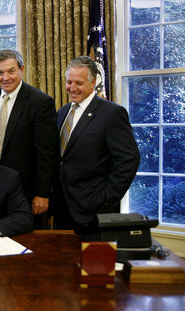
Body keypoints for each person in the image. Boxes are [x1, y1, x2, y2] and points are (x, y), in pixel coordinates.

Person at [54, 56, 140, 235]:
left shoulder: (112, 113)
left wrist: (107, 197)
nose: (72, 88)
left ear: (93, 82)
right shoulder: (62, 112)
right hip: (63, 207)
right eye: (69, 82)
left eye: (79, 83)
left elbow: (129, 159)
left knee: (95, 262)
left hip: (95, 209)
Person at [0, 49, 58, 229]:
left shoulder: (40, 102)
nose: (5, 77)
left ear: (21, 69)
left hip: (23, 191)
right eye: (0, 72)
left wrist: (42, 193)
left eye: (11, 71)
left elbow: (47, 153)